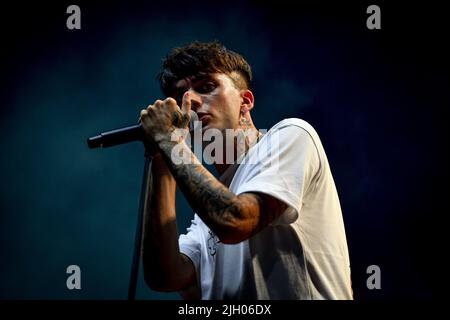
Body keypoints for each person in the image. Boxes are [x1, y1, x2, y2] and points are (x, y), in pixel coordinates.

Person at [139, 41, 352, 300]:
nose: (190, 101)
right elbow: (164, 276)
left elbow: (235, 220)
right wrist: (162, 157)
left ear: (245, 101)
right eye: (179, 95)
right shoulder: (204, 222)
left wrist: (170, 143)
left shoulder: (291, 135)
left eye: (206, 87)